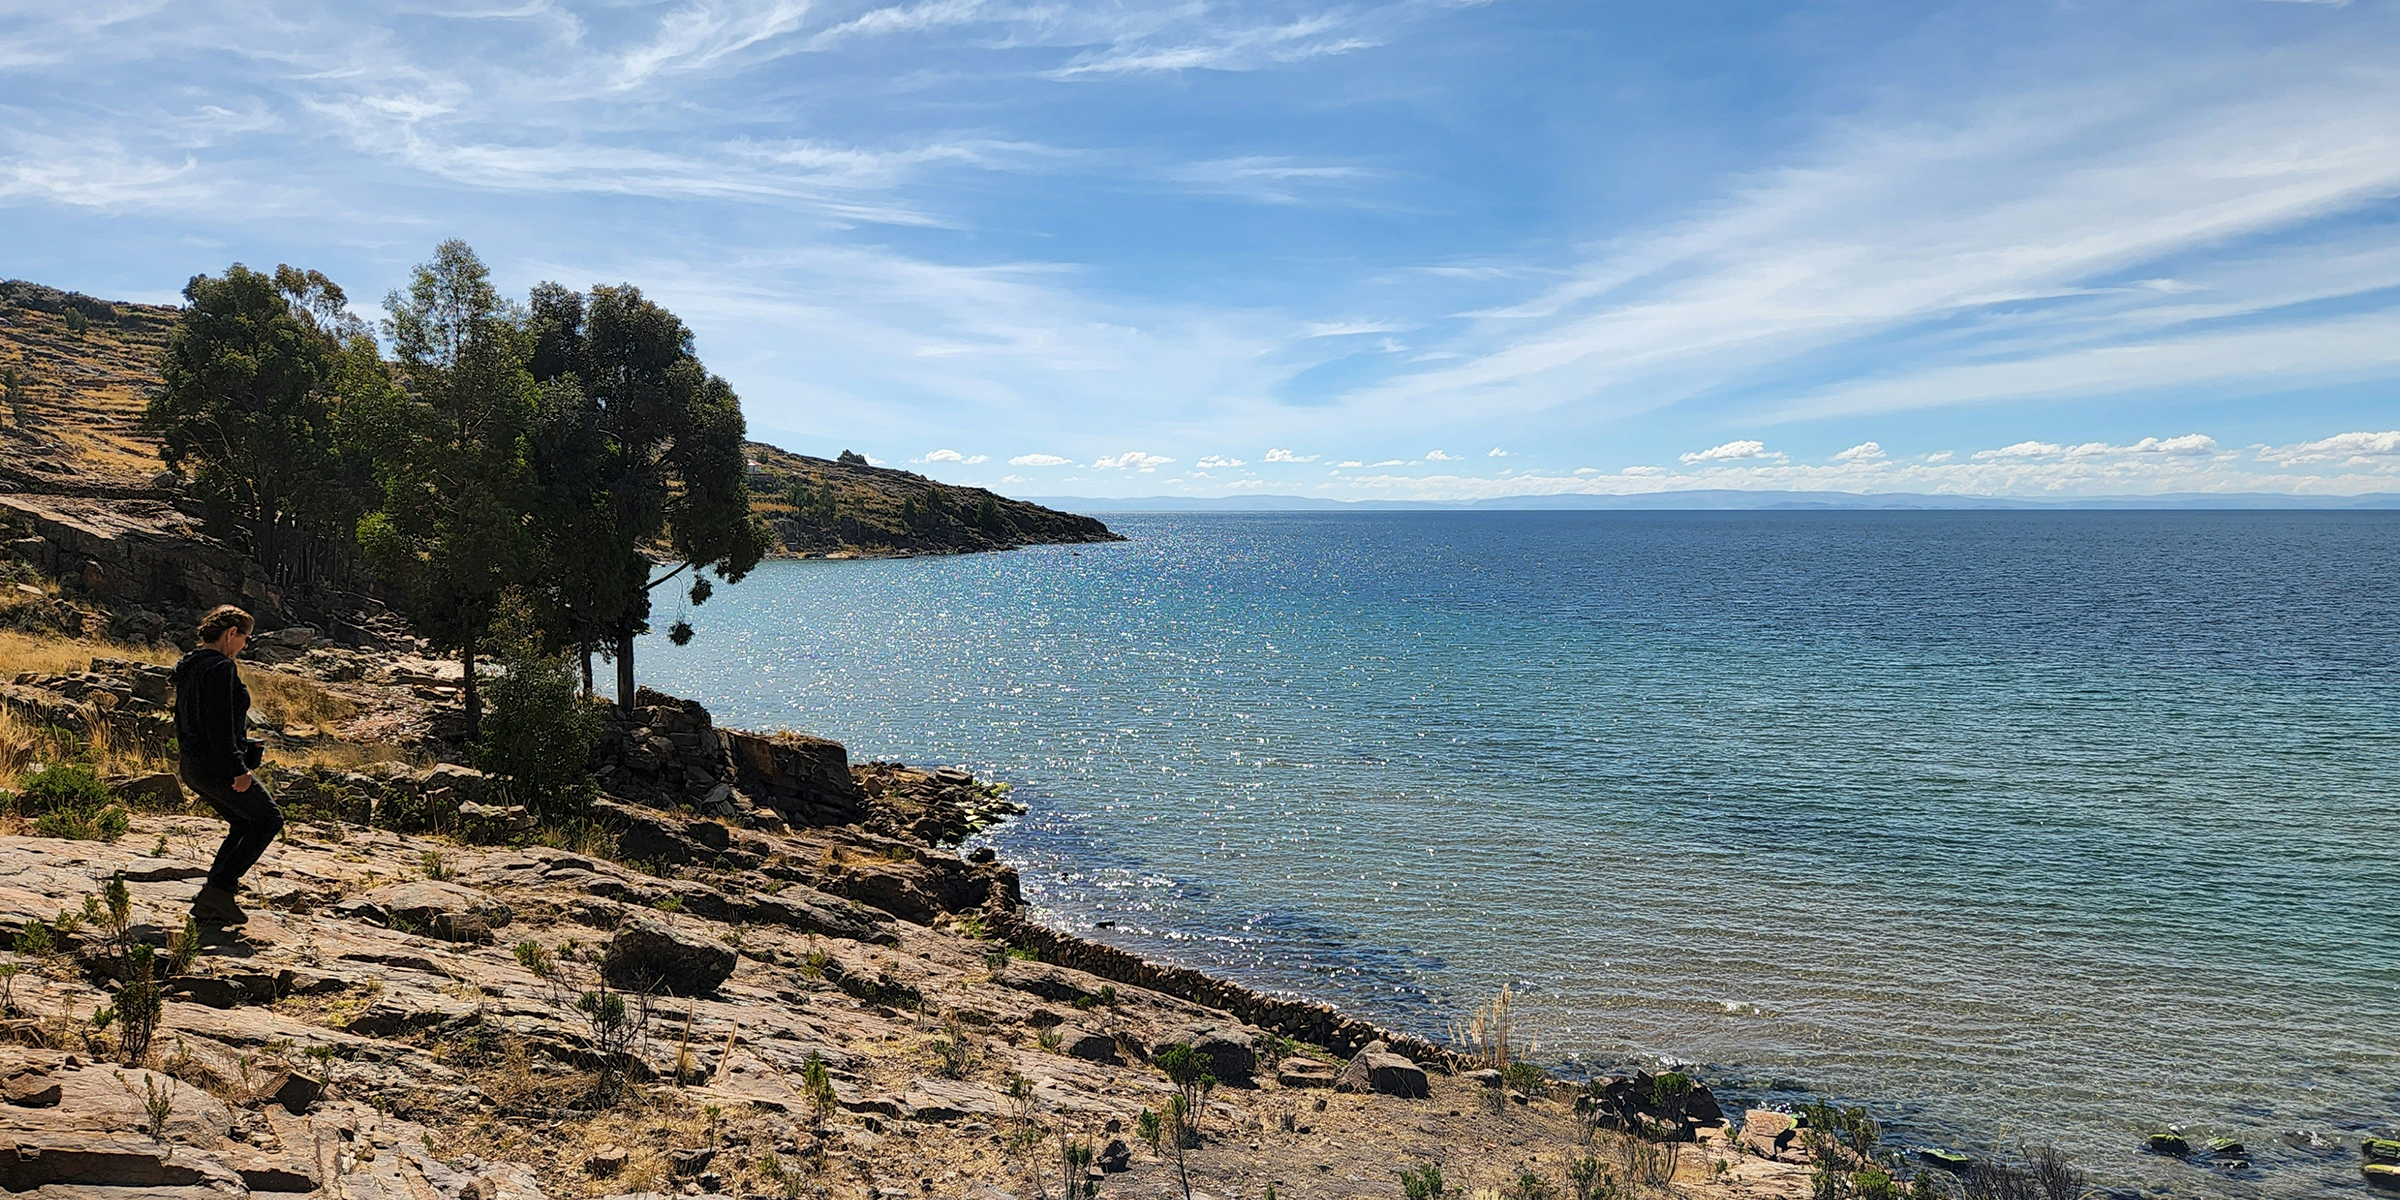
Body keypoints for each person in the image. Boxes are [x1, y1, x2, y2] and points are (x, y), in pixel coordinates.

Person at [171, 605, 280, 925]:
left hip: (193, 765)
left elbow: (191, 722)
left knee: (245, 822)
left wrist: (242, 748)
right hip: (218, 767)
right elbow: (217, 726)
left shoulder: (189, 666)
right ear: (232, 633)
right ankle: (218, 892)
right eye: (246, 638)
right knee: (269, 820)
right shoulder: (220, 668)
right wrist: (238, 768)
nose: (246, 645)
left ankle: (215, 895)